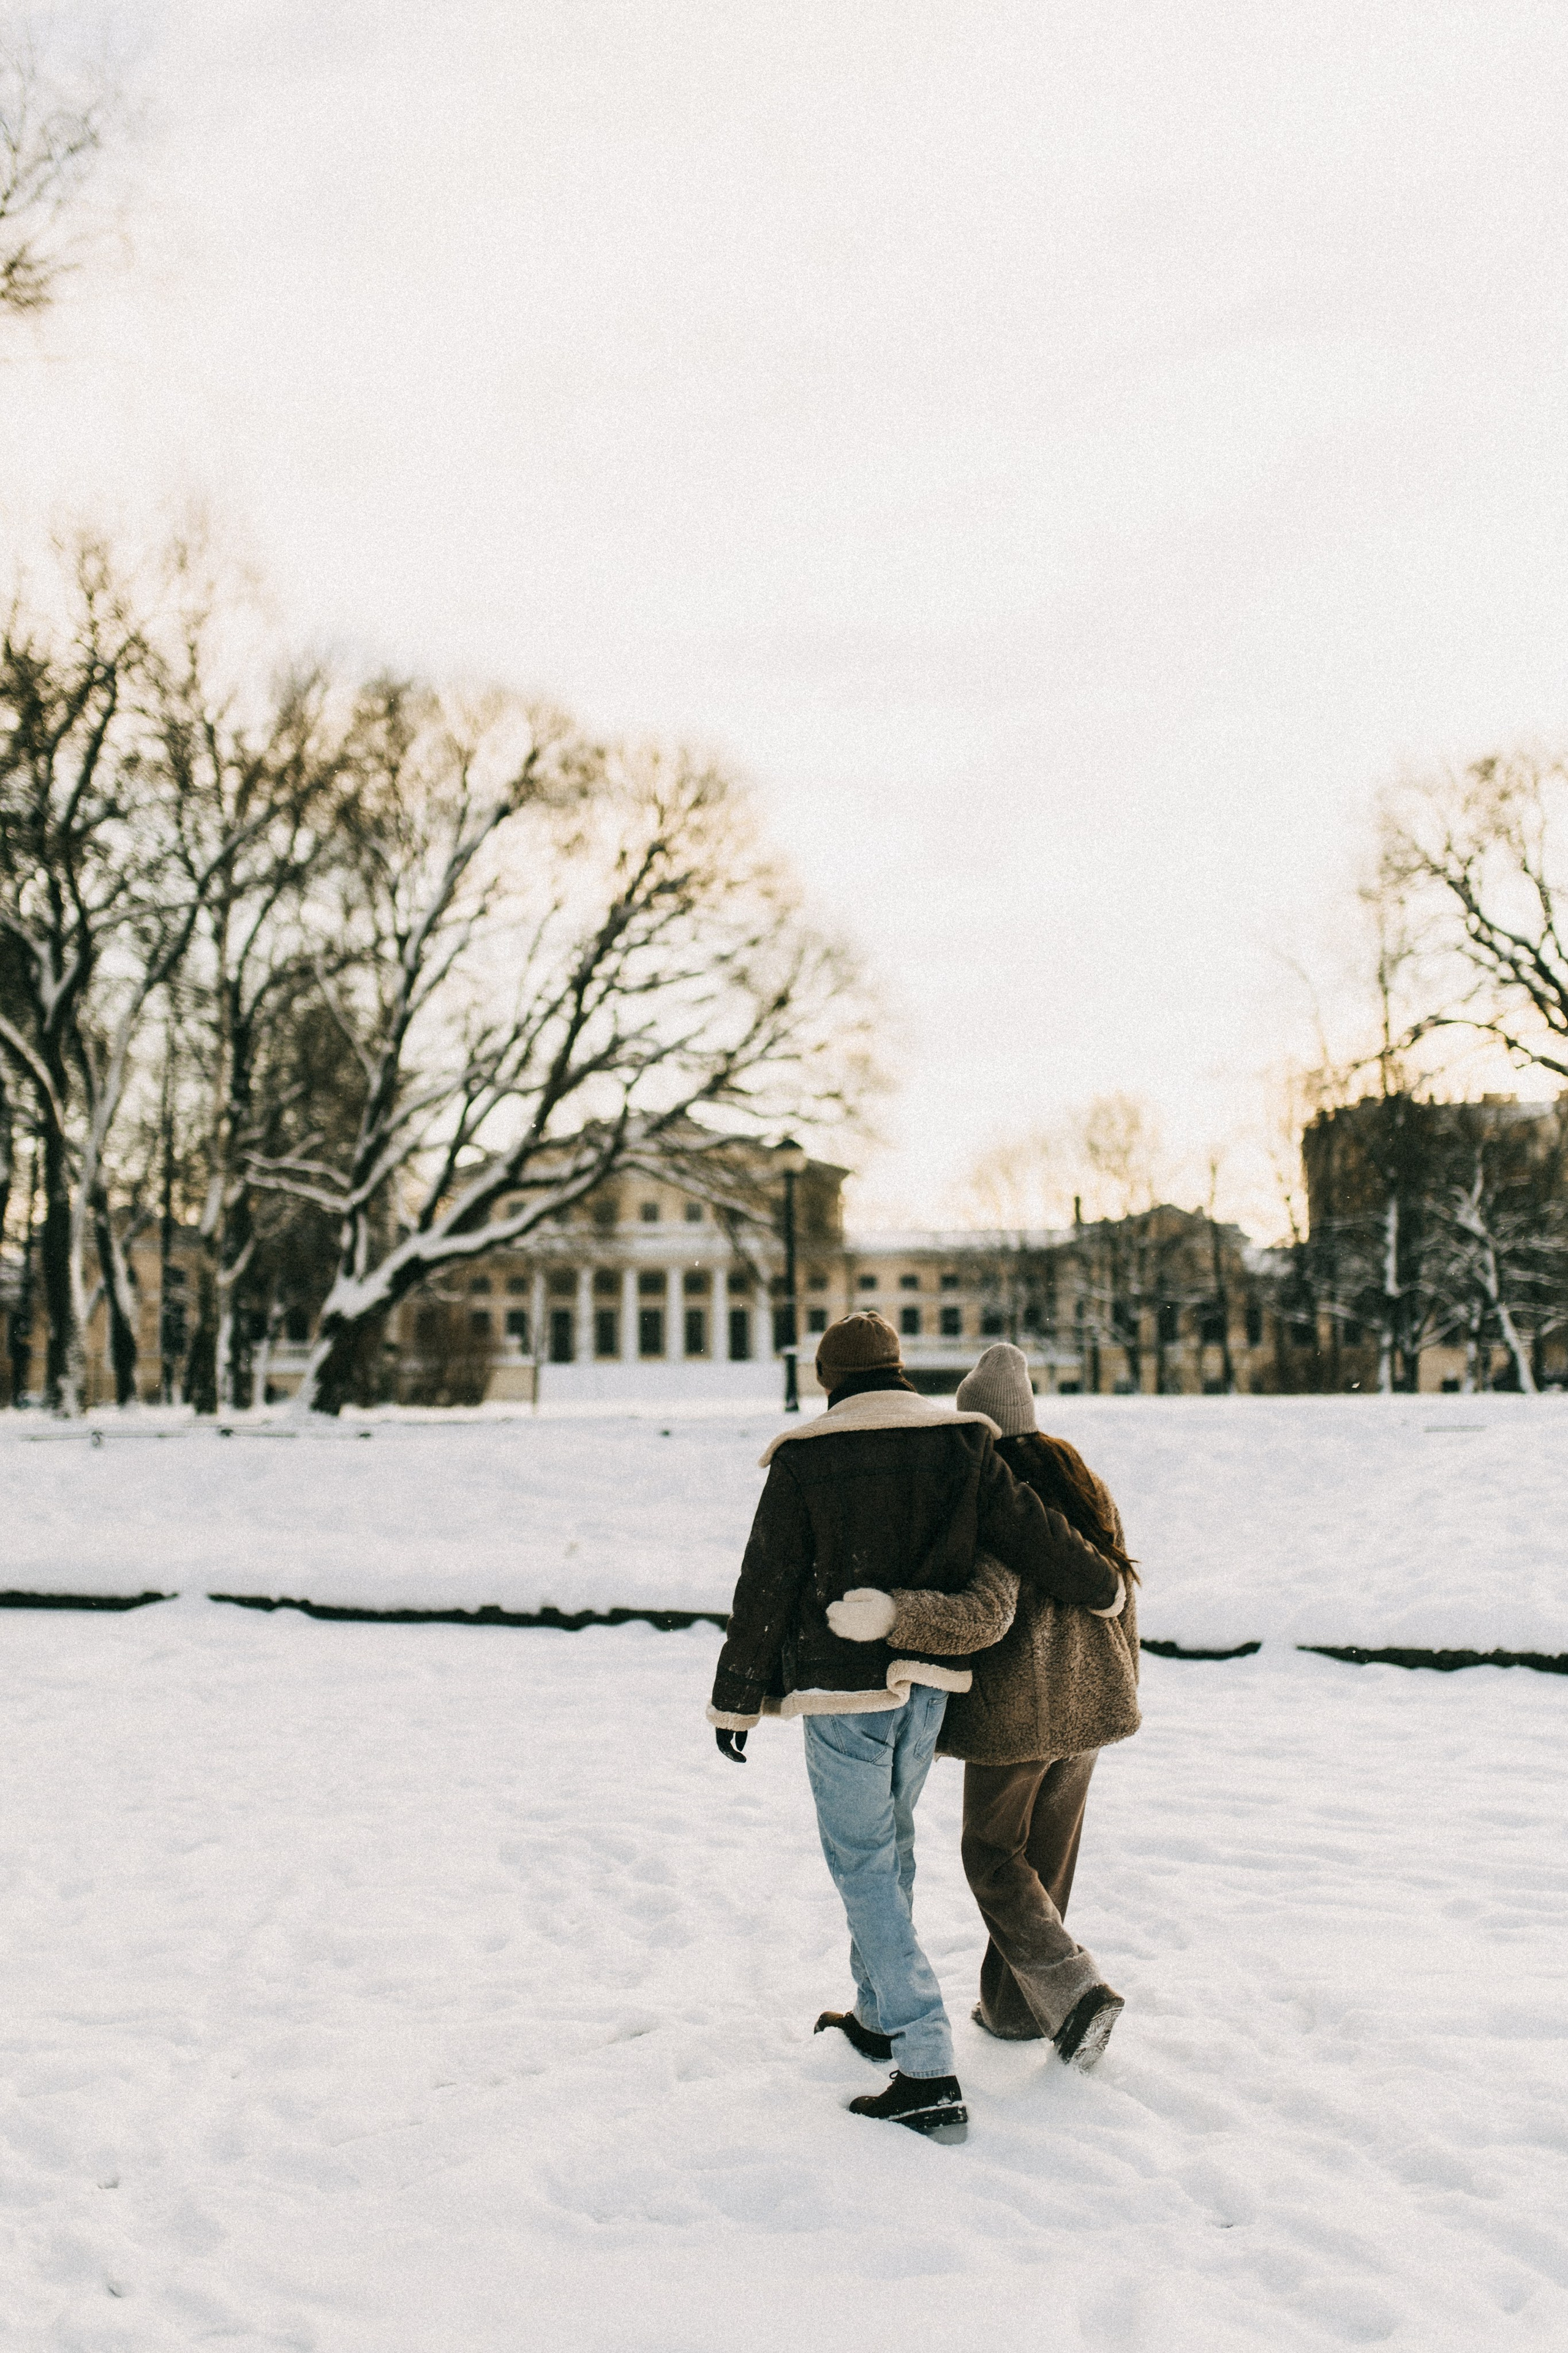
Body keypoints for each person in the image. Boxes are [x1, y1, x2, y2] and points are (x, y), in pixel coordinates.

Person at [708, 1313, 1123, 2141]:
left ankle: (926, 2064)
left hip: (841, 1693)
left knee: (863, 1863)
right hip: (928, 1687)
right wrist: (1101, 1585)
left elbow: (768, 1582)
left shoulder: (806, 1456)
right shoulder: (960, 1444)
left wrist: (737, 1696)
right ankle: (877, 2012)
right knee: (889, 1845)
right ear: (898, 1369)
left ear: (830, 1379)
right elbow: (1032, 1532)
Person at [827, 1341, 1140, 2073]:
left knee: (992, 1854)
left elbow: (987, 1614)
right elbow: (1121, 1591)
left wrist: (897, 1615)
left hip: (1021, 1714)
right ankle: (1016, 2011)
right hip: (1092, 1705)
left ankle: (1074, 1988)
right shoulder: (1082, 1482)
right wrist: (1125, 1680)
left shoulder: (995, 1493)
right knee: (1045, 1861)